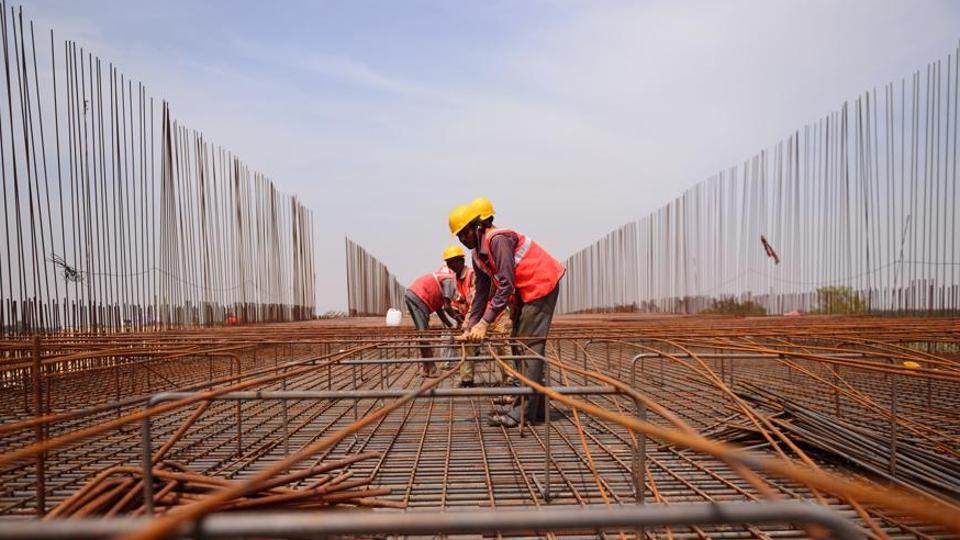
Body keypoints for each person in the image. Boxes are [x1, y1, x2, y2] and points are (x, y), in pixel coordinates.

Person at [449, 198, 565, 427]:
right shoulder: (477, 254)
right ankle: (536, 408)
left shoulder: (498, 240)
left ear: (477, 226)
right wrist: (471, 324)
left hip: (540, 285)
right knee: (518, 344)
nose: (463, 239)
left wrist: (485, 323)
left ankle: (521, 413)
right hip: (525, 292)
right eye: (459, 236)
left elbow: (505, 285)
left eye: (465, 233)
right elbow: (482, 293)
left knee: (528, 346)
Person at [404, 267, 460, 377]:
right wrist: (460, 320)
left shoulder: (440, 282)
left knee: (422, 334)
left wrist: (450, 325)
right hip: (418, 297)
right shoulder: (449, 281)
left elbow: (439, 310)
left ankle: (426, 368)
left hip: (412, 295)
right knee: (424, 334)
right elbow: (447, 307)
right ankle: (432, 368)